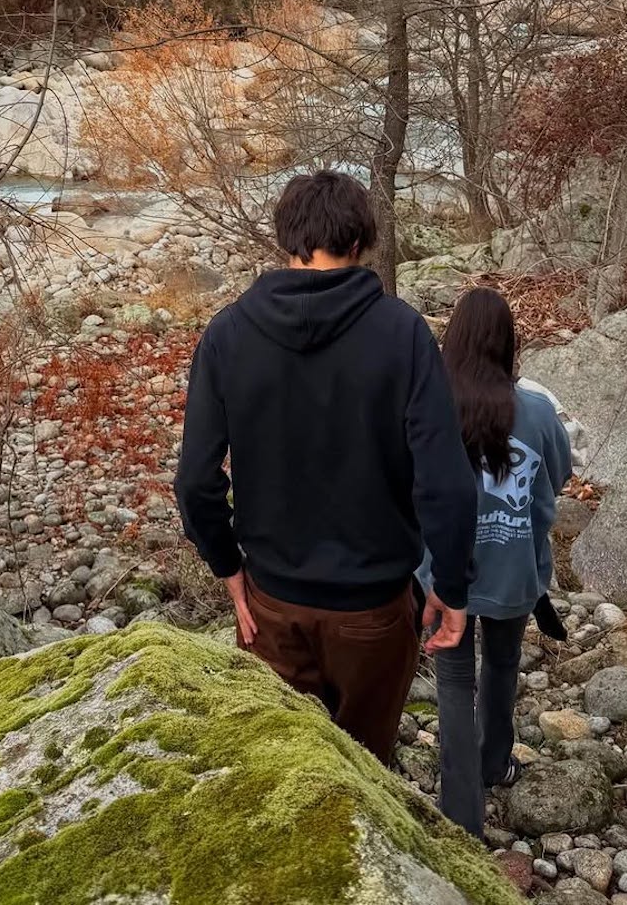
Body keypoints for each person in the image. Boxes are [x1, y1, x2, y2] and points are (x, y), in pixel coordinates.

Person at [173, 169, 477, 763]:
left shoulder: (229, 334)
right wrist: (453, 586)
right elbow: (446, 482)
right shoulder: (404, 334)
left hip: (271, 604)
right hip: (374, 608)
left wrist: (229, 570)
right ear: (361, 244)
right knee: (365, 768)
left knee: (280, 772)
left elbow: (195, 481)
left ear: (287, 241)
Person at [431, 286, 572, 837]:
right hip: (515, 567)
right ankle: (495, 761)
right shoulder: (536, 410)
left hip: (445, 572)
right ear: (508, 344)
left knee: (451, 680)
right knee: (504, 663)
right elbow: (556, 476)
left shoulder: (432, 406)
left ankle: (461, 811)